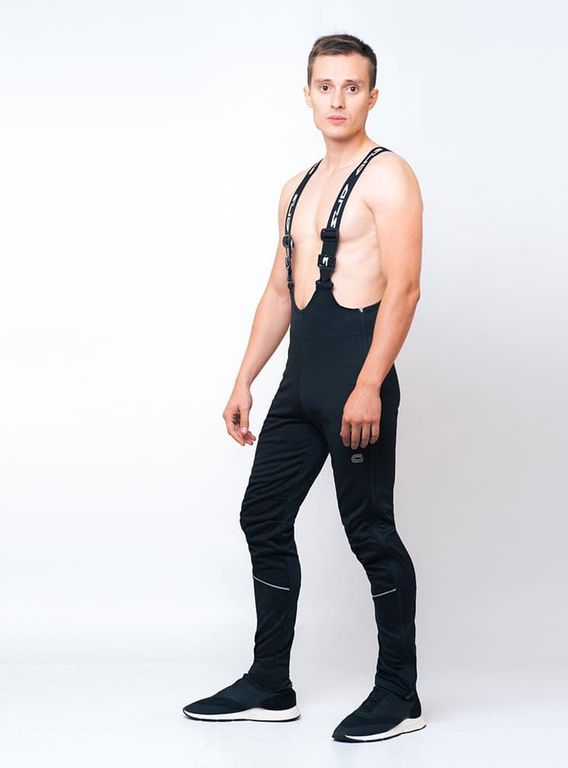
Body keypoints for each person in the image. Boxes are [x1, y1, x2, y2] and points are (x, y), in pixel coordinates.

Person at [183, 32, 425, 743]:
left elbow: (405, 288)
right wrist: (244, 378)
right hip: (299, 383)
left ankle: (400, 694)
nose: (337, 99)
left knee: (370, 532)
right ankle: (270, 683)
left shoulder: (390, 176)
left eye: (352, 87)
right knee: (262, 516)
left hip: (356, 377)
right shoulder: (296, 187)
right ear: (308, 94)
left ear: (372, 96)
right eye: (326, 86)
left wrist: (370, 383)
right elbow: (278, 291)